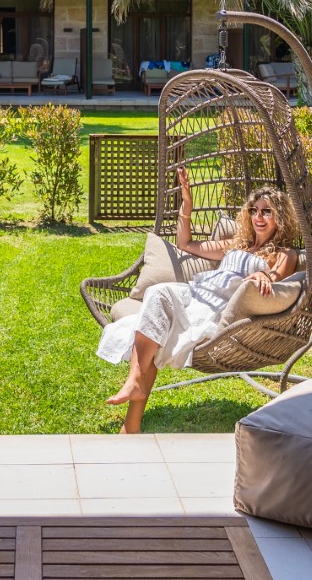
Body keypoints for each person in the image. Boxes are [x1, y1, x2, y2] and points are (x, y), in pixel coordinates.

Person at [97, 169, 300, 433]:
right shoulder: (236, 245)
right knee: (157, 294)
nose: (258, 217)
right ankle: (134, 382)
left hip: (216, 306)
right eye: (254, 211)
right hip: (195, 293)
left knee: (155, 337)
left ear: (280, 217)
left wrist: (263, 274)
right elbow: (185, 243)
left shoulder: (284, 253)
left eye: (267, 212)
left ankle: (130, 424)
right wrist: (187, 202)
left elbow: (276, 277)